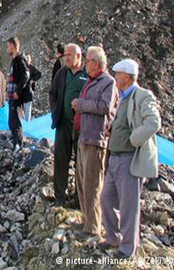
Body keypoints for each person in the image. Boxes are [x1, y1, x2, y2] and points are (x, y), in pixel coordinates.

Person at [100, 59, 161, 259]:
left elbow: (153, 123)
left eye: (117, 74)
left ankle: (127, 249)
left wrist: (134, 138)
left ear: (126, 77)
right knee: (106, 199)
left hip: (129, 159)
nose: (115, 77)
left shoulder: (142, 95)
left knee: (128, 207)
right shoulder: (124, 97)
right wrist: (113, 130)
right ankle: (113, 238)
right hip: (115, 158)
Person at [72, 46, 118, 239]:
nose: (85, 64)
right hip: (84, 136)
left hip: (95, 139)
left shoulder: (108, 82)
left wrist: (80, 105)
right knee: (82, 182)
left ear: (96, 63)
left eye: (88, 60)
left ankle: (93, 227)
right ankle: (85, 220)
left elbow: (105, 106)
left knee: (92, 183)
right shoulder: (91, 81)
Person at [49, 44, 87, 207]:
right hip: (63, 124)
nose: (66, 58)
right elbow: (53, 94)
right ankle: (59, 196)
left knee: (81, 162)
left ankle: (80, 198)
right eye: (65, 55)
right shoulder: (61, 73)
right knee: (60, 160)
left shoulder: (87, 75)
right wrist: (55, 110)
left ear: (78, 56)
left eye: (70, 55)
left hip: (81, 127)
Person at [6, 37, 30, 152]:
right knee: (11, 121)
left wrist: (18, 91)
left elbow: (26, 75)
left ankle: (18, 145)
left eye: (8, 46)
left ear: (13, 46)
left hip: (16, 96)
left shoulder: (20, 60)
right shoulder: (15, 61)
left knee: (16, 121)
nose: (7, 49)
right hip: (12, 96)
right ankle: (15, 143)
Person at [25, 54, 42, 122]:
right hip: (21, 91)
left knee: (28, 108)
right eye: (26, 59)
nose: (27, 60)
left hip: (29, 90)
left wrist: (32, 80)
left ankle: (27, 121)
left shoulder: (32, 68)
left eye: (28, 59)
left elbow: (39, 74)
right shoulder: (22, 68)